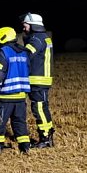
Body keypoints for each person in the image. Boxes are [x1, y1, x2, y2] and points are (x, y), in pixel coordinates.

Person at [0, 27, 32, 153]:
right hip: (21, 96)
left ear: (2, 39)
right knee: (20, 122)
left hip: (5, 96)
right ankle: (25, 146)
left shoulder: (3, 52)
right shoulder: (24, 52)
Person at [21, 12, 55, 148]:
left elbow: (26, 54)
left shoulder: (36, 39)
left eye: (25, 26)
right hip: (42, 79)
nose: (24, 28)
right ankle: (46, 137)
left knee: (39, 108)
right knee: (42, 107)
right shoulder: (43, 37)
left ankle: (45, 138)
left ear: (33, 25)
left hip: (38, 80)